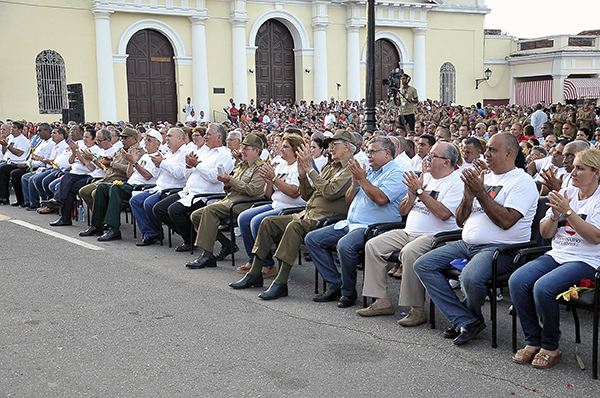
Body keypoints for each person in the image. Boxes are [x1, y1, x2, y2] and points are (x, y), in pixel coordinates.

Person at [413, 133, 539, 345]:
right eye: (486, 148)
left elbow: (507, 221)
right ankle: (466, 319)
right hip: (467, 244)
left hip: (503, 248)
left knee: (470, 277)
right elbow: (461, 220)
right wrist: (468, 198)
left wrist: (480, 193)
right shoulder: (485, 177)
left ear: (509, 153)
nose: (486, 153)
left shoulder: (522, 181)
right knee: (423, 264)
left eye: (492, 150)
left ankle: (466, 320)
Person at [229, 129, 355, 300]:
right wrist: (303, 177)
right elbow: (308, 195)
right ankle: (255, 273)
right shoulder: (330, 166)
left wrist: (310, 170)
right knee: (267, 222)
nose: (330, 148)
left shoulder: (350, 168)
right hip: (308, 212)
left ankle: (281, 282)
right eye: (330, 144)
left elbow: (330, 192)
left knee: (294, 226)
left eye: (334, 144)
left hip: (324, 217)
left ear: (347, 146)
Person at [509, 149, 600, 369]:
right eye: (574, 167)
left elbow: (595, 237)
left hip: (586, 261)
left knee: (543, 287)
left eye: (580, 168)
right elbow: (546, 233)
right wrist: (554, 215)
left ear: (596, 173)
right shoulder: (566, 192)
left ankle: (551, 346)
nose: (573, 171)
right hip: (557, 254)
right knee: (517, 280)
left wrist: (568, 213)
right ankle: (533, 340)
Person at [357, 142, 464, 323]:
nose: (427, 158)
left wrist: (420, 192)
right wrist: (412, 195)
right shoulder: (426, 177)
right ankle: (381, 301)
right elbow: (402, 211)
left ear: (446, 162)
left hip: (437, 236)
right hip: (409, 232)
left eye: (433, 156)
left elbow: (444, 214)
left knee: (409, 252)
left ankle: (416, 309)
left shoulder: (456, 182)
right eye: (428, 154)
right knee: (373, 245)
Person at [305, 137, 407, 308]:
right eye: (367, 151)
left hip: (373, 228)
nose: (368, 155)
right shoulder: (371, 172)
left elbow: (381, 199)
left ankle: (348, 292)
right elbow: (348, 200)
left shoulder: (396, 174)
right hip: (351, 223)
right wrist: (355, 184)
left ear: (387, 153)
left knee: (345, 246)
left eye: (373, 151)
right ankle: (335, 284)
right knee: (312, 239)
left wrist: (362, 180)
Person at [185, 133, 265, 268]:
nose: (242, 151)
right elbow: (231, 188)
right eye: (242, 148)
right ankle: (227, 244)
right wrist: (227, 184)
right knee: (196, 216)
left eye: (246, 148)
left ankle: (207, 255)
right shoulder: (241, 165)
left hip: (245, 204)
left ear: (256, 151)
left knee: (210, 211)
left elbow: (254, 191)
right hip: (230, 200)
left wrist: (230, 180)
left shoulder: (259, 167)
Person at [153, 123, 234, 252]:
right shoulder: (203, 151)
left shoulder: (225, 155)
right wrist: (189, 166)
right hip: (189, 192)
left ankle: (190, 240)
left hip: (206, 195)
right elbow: (187, 174)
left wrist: (196, 165)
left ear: (219, 137)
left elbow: (215, 177)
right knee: (159, 209)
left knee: (174, 210)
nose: (205, 137)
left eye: (208, 134)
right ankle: (192, 237)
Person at [236, 133, 306, 276]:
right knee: (243, 218)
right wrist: (268, 182)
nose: (281, 149)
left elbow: (294, 192)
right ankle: (252, 259)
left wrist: (273, 179)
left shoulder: (298, 167)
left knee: (256, 222)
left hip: (291, 208)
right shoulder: (281, 164)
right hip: (276, 204)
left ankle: (266, 263)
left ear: (295, 149)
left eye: (285, 147)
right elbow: (268, 194)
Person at [85, 130, 162, 241]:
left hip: (142, 187)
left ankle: (114, 229)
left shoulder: (157, 157)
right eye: (145, 140)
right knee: (102, 188)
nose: (146, 142)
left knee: (115, 188)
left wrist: (134, 162)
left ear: (158, 143)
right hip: (131, 183)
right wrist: (131, 161)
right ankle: (97, 226)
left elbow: (147, 176)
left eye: (149, 140)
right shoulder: (145, 156)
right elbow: (129, 174)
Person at [78, 127, 145, 236]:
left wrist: (113, 164)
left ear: (134, 139)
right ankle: (99, 223)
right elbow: (110, 164)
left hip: (120, 179)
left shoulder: (139, 152)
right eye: (122, 138)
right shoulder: (120, 150)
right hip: (107, 177)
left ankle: (108, 223)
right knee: (84, 191)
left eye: (126, 138)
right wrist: (108, 161)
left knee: (96, 192)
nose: (123, 140)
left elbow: (129, 171)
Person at [129, 128, 189, 246]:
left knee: (149, 203)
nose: (166, 139)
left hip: (172, 189)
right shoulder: (168, 153)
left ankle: (156, 233)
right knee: (135, 200)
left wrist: (162, 163)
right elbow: (157, 175)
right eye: (166, 136)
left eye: (170, 136)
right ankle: (150, 233)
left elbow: (179, 174)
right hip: (158, 188)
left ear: (179, 139)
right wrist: (157, 164)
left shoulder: (184, 153)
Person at [42, 129, 101, 226]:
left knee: (68, 182)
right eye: (84, 137)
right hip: (75, 174)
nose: (84, 139)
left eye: (87, 137)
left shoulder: (95, 149)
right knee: (68, 187)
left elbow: (86, 164)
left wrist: (77, 151)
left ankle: (59, 203)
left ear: (94, 139)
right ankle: (64, 217)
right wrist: (74, 152)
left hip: (86, 175)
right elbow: (70, 161)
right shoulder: (81, 147)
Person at [0, 121, 31, 204]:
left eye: (14, 128)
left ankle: (4, 197)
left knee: (2, 169)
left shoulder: (22, 140)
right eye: (12, 127)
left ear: (20, 130)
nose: (12, 129)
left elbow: (19, 153)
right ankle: (3, 196)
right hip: (8, 161)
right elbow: (4, 152)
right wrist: (3, 143)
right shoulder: (10, 138)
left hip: (17, 162)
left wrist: (6, 145)